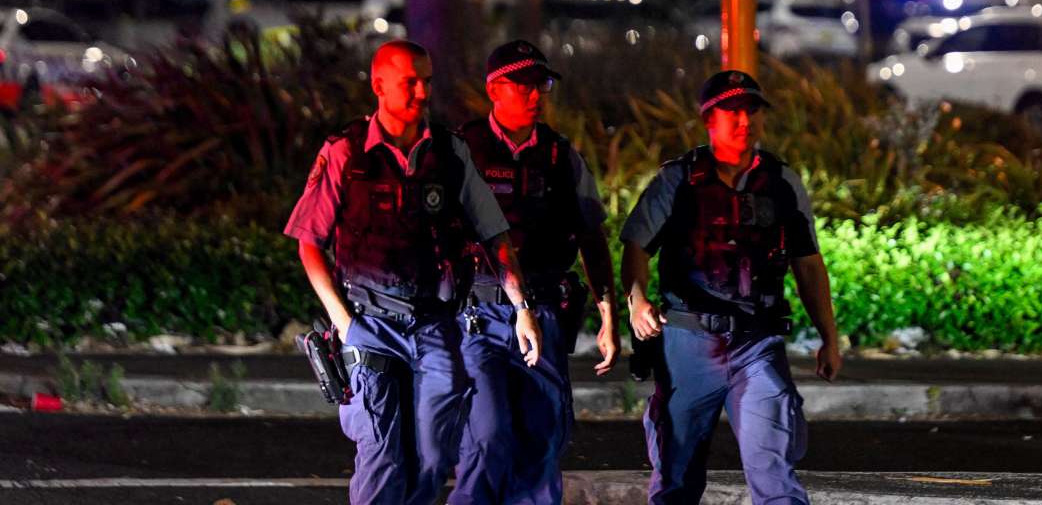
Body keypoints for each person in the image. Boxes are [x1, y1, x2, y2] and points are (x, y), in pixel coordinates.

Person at [284, 40, 542, 505]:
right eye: (410, 82)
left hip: (433, 325)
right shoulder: (346, 152)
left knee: (432, 457)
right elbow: (309, 244)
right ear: (379, 85)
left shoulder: (449, 152)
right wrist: (344, 324)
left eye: (426, 80)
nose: (422, 91)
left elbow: (494, 235)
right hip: (369, 323)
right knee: (383, 457)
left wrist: (521, 307)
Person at [620, 69, 842, 505]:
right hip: (688, 342)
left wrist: (829, 338)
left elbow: (809, 264)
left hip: (757, 343)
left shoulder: (781, 182)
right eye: (733, 112)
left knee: (775, 474)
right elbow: (636, 245)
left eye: (753, 112)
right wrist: (637, 300)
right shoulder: (679, 179)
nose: (745, 122)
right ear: (709, 118)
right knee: (675, 479)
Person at [452, 40, 620, 504]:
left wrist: (608, 314)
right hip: (478, 315)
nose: (535, 94)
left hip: (545, 314)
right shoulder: (462, 151)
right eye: (523, 84)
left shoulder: (560, 157)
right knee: (486, 439)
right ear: (494, 89)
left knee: (543, 441)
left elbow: (591, 235)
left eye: (541, 84)